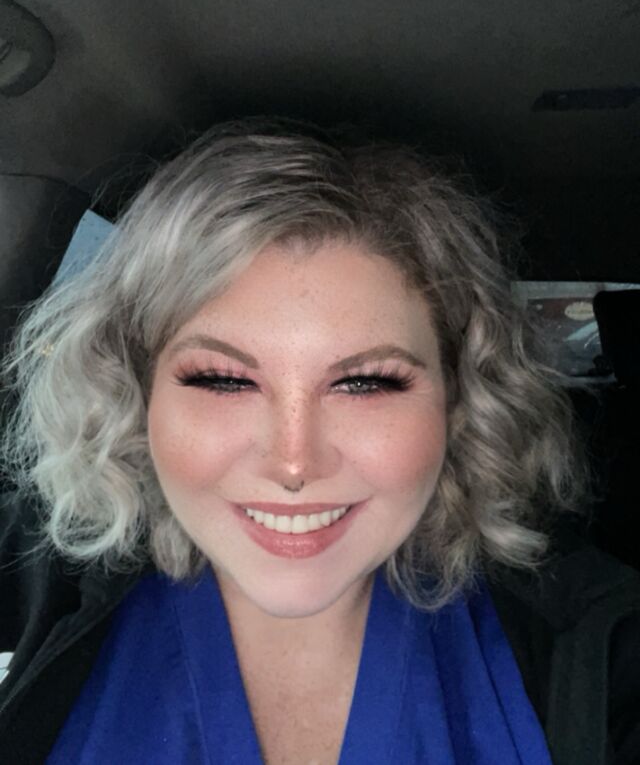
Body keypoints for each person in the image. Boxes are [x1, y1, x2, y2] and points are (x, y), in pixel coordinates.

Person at [0, 115, 639, 765]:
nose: (294, 462)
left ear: (457, 397)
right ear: (136, 394)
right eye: (223, 379)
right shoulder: (32, 584)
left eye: (365, 383)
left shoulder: (596, 646)